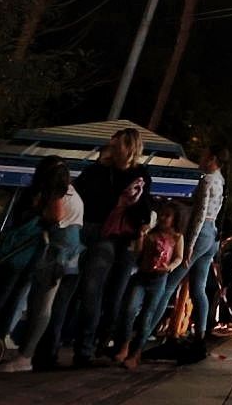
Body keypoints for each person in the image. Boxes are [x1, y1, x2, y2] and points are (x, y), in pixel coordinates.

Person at [70, 127, 152, 366]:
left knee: (113, 294)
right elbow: (81, 195)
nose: (112, 150)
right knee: (92, 291)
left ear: (128, 148)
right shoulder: (98, 172)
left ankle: (101, 340)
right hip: (101, 234)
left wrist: (131, 202)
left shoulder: (140, 176)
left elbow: (145, 212)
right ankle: (85, 347)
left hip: (124, 240)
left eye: (116, 146)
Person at [2, 157, 84, 372]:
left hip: (57, 249)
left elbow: (55, 216)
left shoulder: (56, 193)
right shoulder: (72, 194)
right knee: (42, 302)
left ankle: (25, 355)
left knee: (40, 303)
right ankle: (26, 351)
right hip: (68, 250)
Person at [145, 145, 227, 346]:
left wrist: (189, 244)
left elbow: (200, 214)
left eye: (204, 154)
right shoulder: (221, 179)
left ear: (212, 158)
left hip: (201, 233)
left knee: (170, 282)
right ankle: (200, 333)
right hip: (212, 233)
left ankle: (147, 330)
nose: (200, 157)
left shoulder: (207, 180)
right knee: (198, 286)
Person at [115, 201, 185, 367]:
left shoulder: (177, 237)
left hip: (159, 279)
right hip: (142, 276)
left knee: (147, 317)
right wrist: (141, 237)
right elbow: (138, 253)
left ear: (175, 219)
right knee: (129, 310)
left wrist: (169, 268)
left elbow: (179, 257)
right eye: (162, 214)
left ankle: (135, 353)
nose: (162, 218)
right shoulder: (150, 234)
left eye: (167, 215)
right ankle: (124, 345)